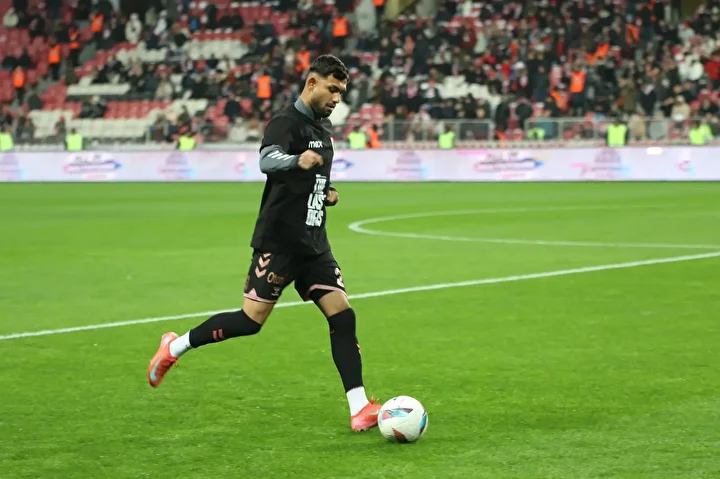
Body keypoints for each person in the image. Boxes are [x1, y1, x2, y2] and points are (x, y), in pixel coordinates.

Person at [146, 55, 382, 432]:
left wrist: (328, 191)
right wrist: (296, 160)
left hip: (314, 243)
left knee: (343, 315)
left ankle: (359, 409)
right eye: (332, 89)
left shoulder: (323, 132)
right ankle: (174, 347)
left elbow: (315, 178)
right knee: (250, 321)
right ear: (312, 83)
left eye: (341, 92)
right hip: (280, 242)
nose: (337, 98)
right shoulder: (285, 123)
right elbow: (268, 161)